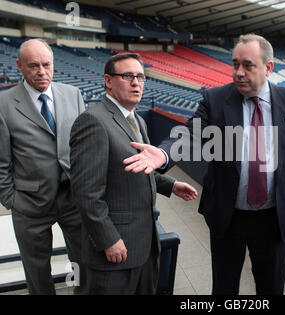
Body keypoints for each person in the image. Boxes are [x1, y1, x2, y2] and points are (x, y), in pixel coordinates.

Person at [123, 34, 285, 295]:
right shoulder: (216, 99)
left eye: (248, 65)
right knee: (224, 288)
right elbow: (191, 134)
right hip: (227, 216)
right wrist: (163, 155)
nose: (239, 72)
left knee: (271, 288)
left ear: (268, 67)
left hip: (274, 219)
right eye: (234, 64)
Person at [69, 52, 197, 295]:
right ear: (108, 80)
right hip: (115, 251)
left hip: (144, 246)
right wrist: (108, 240)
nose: (136, 83)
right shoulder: (93, 121)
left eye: (140, 77)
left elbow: (131, 169)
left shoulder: (137, 120)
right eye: (128, 76)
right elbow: (86, 193)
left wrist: (170, 185)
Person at [0, 38, 86, 294]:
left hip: (73, 198)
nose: (41, 71)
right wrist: (11, 199)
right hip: (29, 203)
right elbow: (1, 161)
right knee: (37, 273)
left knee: (84, 264)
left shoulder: (73, 94)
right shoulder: (3, 104)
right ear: (19, 66)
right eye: (33, 65)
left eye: (46, 64)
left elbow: (84, 147)